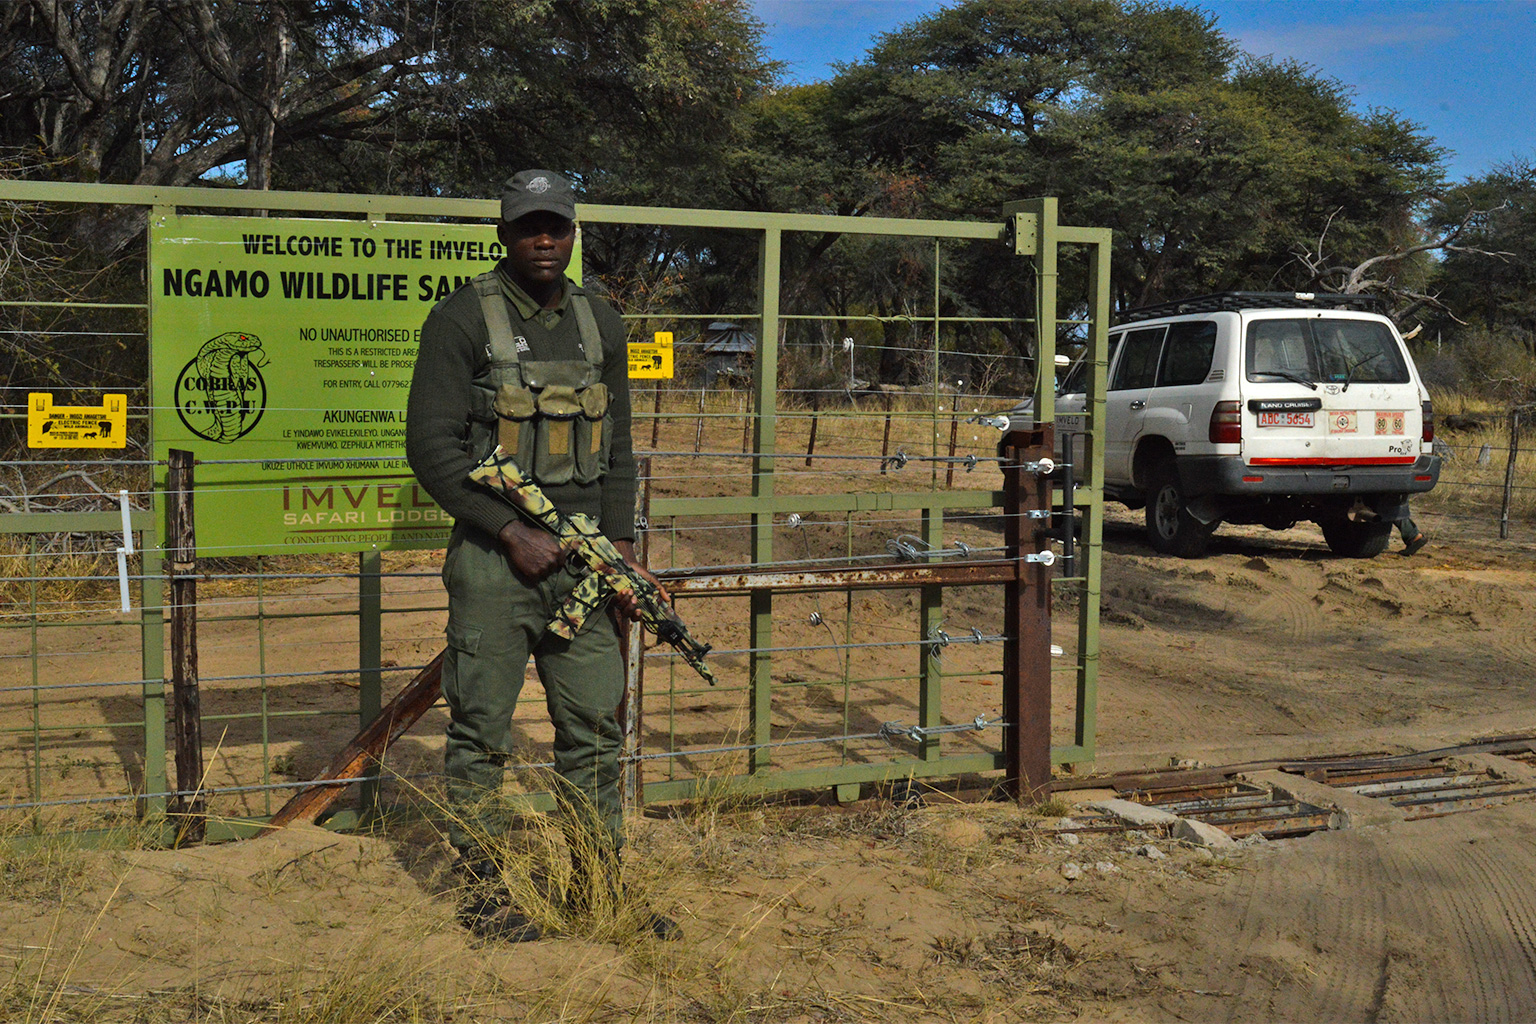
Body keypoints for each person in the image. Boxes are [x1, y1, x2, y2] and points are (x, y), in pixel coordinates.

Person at [406, 169, 674, 942]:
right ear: (504, 234)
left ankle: (599, 887)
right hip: (498, 563)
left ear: (574, 231)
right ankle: (485, 893)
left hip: (585, 568)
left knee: (595, 725)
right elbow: (431, 445)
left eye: (557, 225)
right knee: (482, 729)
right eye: (530, 227)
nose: (545, 239)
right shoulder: (462, 319)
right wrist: (508, 531)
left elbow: (619, 449)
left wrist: (621, 551)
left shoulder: (602, 323)